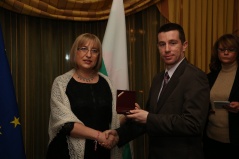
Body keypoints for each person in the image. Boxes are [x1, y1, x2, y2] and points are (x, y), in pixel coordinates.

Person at [105, 23, 210, 159]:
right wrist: (119, 134)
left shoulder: (195, 77)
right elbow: (149, 120)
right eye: (162, 44)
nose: (166, 49)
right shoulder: (158, 78)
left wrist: (148, 117)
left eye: (172, 43)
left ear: (184, 45)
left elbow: (193, 124)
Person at [46, 33, 122, 159]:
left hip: (102, 151)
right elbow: (66, 125)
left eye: (94, 51)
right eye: (83, 49)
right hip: (67, 152)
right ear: (75, 52)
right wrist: (99, 136)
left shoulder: (107, 82)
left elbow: (112, 119)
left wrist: (129, 114)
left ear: (99, 56)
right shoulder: (61, 82)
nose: (88, 55)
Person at [203, 34, 239, 159]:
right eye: (222, 49)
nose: (226, 53)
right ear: (217, 52)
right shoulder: (209, 77)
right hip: (210, 138)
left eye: (231, 49)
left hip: (234, 141)